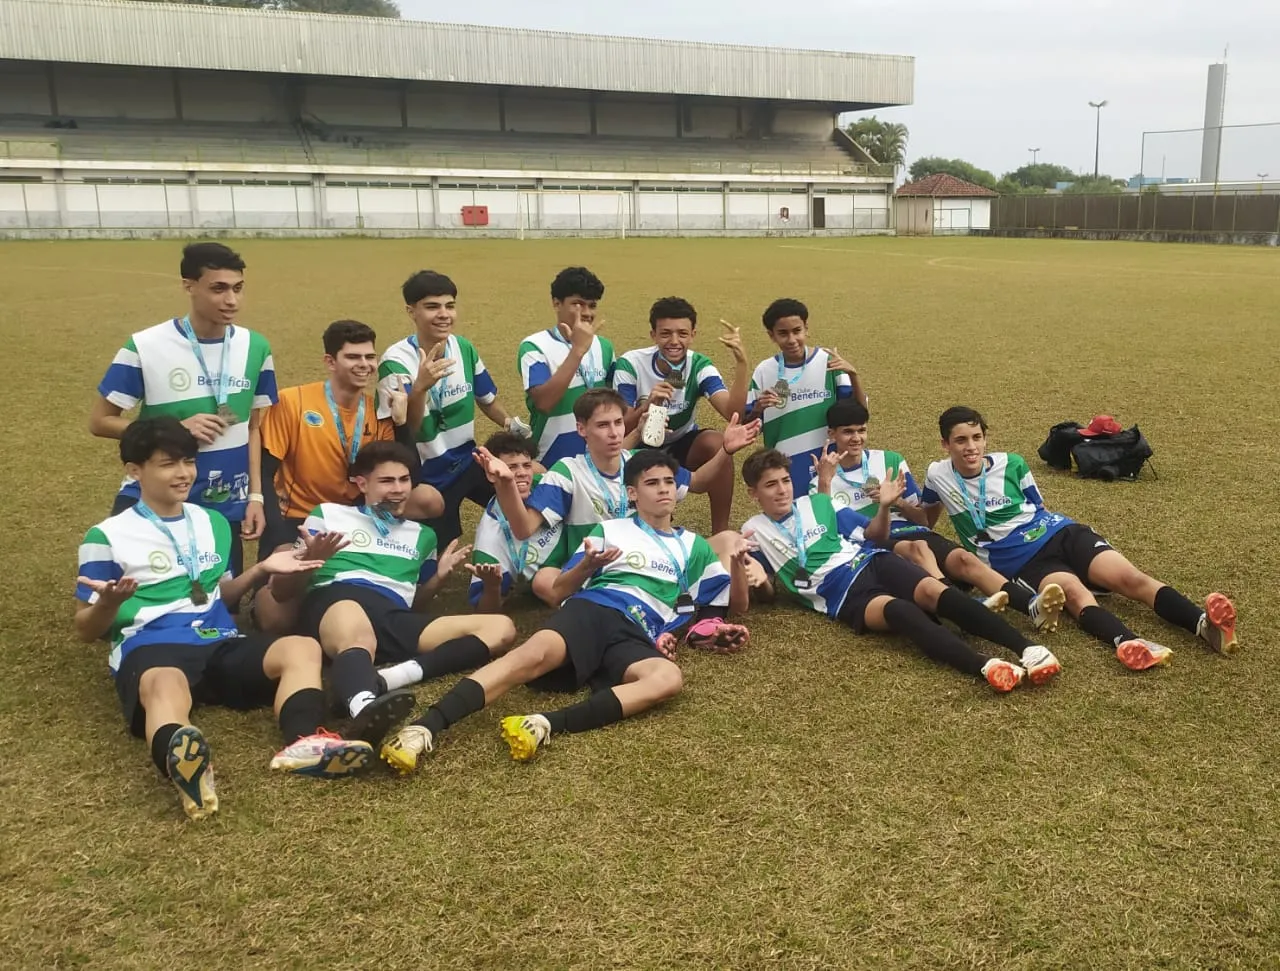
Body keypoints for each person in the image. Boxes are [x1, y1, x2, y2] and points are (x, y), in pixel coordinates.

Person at [379, 448, 753, 773]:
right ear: (633, 493)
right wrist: (586, 566)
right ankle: (424, 727)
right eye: (652, 483)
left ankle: (543, 724)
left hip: (638, 632)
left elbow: (732, 606)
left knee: (667, 679)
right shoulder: (611, 530)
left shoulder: (695, 547)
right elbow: (559, 592)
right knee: (529, 657)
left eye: (669, 482)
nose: (664, 490)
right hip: (595, 610)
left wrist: (737, 566)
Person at [74, 418, 374, 821]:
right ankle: (185, 765)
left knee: (302, 647)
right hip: (154, 645)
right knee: (165, 682)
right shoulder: (106, 536)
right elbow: (86, 629)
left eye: (188, 462)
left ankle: (305, 745)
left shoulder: (211, 522)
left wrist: (261, 569)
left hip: (219, 639)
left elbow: (222, 593)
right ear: (134, 470)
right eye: (167, 464)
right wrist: (109, 604)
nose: (183, 474)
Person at [920, 406, 1239, 670]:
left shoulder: (1012, 464)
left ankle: (1205, 625)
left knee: (1129, 577)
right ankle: (1127, 642)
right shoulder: (937, 474)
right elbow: (925, 519)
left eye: (977, 437)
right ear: (945, 445)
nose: (971, 447)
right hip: (1019, 561)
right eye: (960, 440)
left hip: (1060, 532)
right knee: (1071, 592)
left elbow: (1038, 506)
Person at [741, 448, 1061, 690]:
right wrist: (757, 581)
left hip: (871, 562)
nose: (782, 490)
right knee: (901, 613)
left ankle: (1028, 648)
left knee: (936, 592)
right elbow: (768, 593)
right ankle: (985, 665)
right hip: (841, 594)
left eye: (785, 481)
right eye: (770, 485)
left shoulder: (819, 504)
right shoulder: (753, 531)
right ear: (754, 493)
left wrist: (884, 507)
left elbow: (874, 536)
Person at [267, 441, 518, 748]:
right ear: (362, 483)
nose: (398, 489)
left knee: (501, 629)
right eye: (386, 481)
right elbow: (280, 592)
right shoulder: (329, 515)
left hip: (392, 613)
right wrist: (307, 561)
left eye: (404, 480)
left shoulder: (423, 535)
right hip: (337, 600)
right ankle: (363, 706)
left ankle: (389, 679)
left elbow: (416, 603)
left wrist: (438, 579)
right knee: (355, 625)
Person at [90, 242, 277, 576]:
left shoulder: (256, 347)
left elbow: (252, 427)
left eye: (238, 288)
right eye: (218, 289)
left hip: (224, 501)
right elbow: (100, 421)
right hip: (155, 493)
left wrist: (256, 497)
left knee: (222, 604)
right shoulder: (145, 346)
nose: (231, 300)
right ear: (188, 286)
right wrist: (173, 430)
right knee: (136, 593)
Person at [813, 400, 1067, 631]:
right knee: (918, 547)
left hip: (909, 530)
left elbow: (922, 520)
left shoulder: (890, 460)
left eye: (861, 430)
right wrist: (825, 481)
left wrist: (896, 500)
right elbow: (829, 529)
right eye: (848, 432)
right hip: (870, 542)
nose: (856, 438)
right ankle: (959, 605)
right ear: (831, 434)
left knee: (964, 558)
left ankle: (1032, 605)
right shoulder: (820, 480)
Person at [479, 389, 760, 562]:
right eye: (602, 425)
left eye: (617, 423)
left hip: (652, 555)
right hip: (601, 569)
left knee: (730, 541)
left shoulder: (642, 462)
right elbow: (523, 528)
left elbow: (697, 482)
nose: (614, 432)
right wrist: (505, 483)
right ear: (581, 429)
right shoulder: (567, 472)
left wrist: (725, 449)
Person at [377, 270, 526, 549]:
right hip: (428, 474)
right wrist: (420, 388)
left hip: (468, 460)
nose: (444, 314)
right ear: (411, 311)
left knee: (521, 491)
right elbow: (407, 428)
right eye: (432, 306)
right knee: (439, 557)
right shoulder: (395, 363)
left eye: (450, 305)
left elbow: (487, 399)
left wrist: (508, 423)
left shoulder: (464, 349)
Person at [259, 319, 425, 560]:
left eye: (370, 357)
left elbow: (411, 476)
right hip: (299, 515)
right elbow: (265, 471)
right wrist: (276, 534)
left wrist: (400, 424)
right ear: (330, 362)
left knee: (430, 500)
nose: (364, 365)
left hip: (356, 516)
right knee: (277, 583)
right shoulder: (292, 402)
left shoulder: (378, 411)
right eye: (353, 357)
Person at [613, 296, 750, 532]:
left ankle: (720, 532)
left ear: (693, 335)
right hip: (640, 446)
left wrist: (742, 365)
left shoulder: (698, 365)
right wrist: (647, 407)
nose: (674, 341)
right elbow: (621, 429)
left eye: (683, 334)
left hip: (679, 443)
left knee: (718, 444)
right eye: (665, 334)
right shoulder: (631, 364)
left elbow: (732, 413)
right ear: (653, 334)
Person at [744, 297, 866, 493]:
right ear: (771, 335)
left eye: (797, 331)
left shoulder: (829, 363)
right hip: (785, 465)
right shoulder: (764, 371)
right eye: (783, 333)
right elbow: (747, 427)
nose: (792, 340)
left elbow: (859, 413)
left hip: (830, 460)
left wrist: (853, 375)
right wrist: (758, 408)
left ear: (806, 328)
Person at [517, 266, 616, 466]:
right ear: (556, 303)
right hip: (550, 456)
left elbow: (613, 402)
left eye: (592, 305)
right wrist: (577, 351)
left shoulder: (604, 347)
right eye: (577, 304)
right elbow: (544, 403)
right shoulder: (535, 346)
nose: (587, 313)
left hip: (595, 456)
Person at [466, 431, 564, 613]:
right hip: (558, 577)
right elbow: (484, 611)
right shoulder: (490, 541)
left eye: (527, 465)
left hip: (584, 547)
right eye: (511, 467)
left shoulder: (545, 484)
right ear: (491, 474)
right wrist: (493, 587)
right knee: (545, 585)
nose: (521, 474)